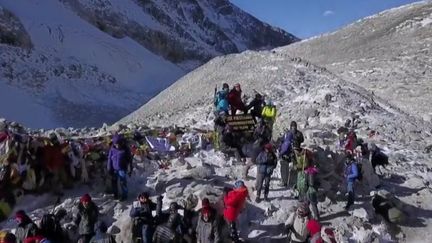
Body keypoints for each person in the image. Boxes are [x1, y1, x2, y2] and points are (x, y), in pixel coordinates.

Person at [107, 134, 133, 201]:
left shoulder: (125, 149)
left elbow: (129, 160)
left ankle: (124, 195)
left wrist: (130, 168)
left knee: (123, 183)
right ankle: (115, 194)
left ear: (121, 142)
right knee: (114, 182)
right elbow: (109, 159)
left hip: (122, 169)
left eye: (118, 144)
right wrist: (109, 168)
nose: (117, 145)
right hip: (114, 169)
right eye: (116, 144)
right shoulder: (112, 149)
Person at [278, 121, 304, 187]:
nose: (293, 128)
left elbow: (282, 141)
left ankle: (286, 182)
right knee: (293, 167)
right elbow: (302, 140)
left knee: (286, 167)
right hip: (295, 152)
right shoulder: (299, 133)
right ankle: (292, 183)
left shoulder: (287, 133)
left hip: (289, 153)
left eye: (294, 126)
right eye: (293, 126)